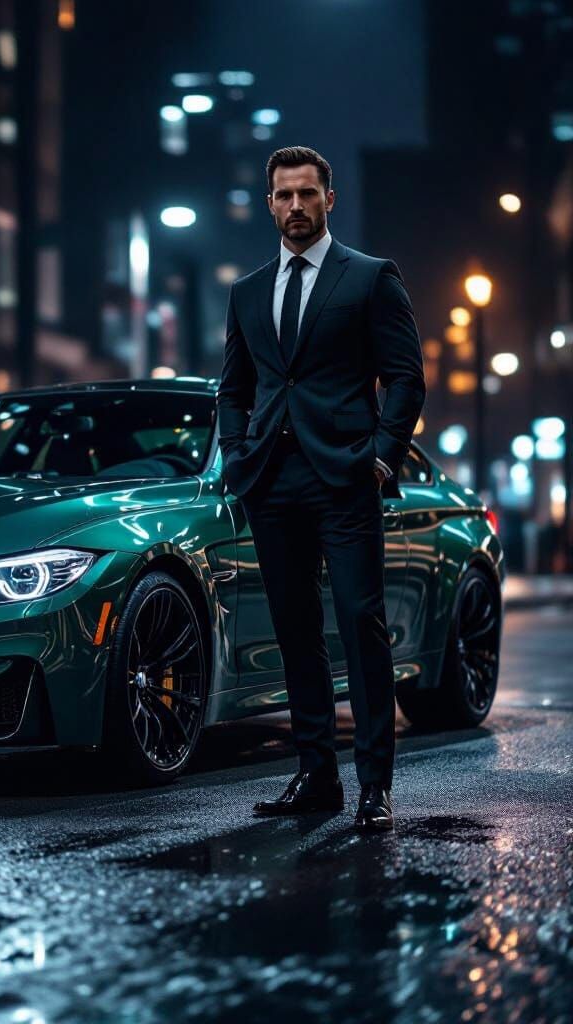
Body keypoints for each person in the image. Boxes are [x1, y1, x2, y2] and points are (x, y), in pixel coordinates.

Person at [216, 146, 425, 831]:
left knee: (362, 625)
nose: (296, 206)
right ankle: (315, 776)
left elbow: (405, 377)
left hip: (344, 477)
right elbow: (235, 387)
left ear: (329, 199)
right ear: (269, 202)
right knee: (295, 630)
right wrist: (236, 451)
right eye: (284, 195)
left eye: (308, 193)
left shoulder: (370, 278)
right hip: (272, 479)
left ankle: (375, 786)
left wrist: (383, 457)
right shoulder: (247, 292)